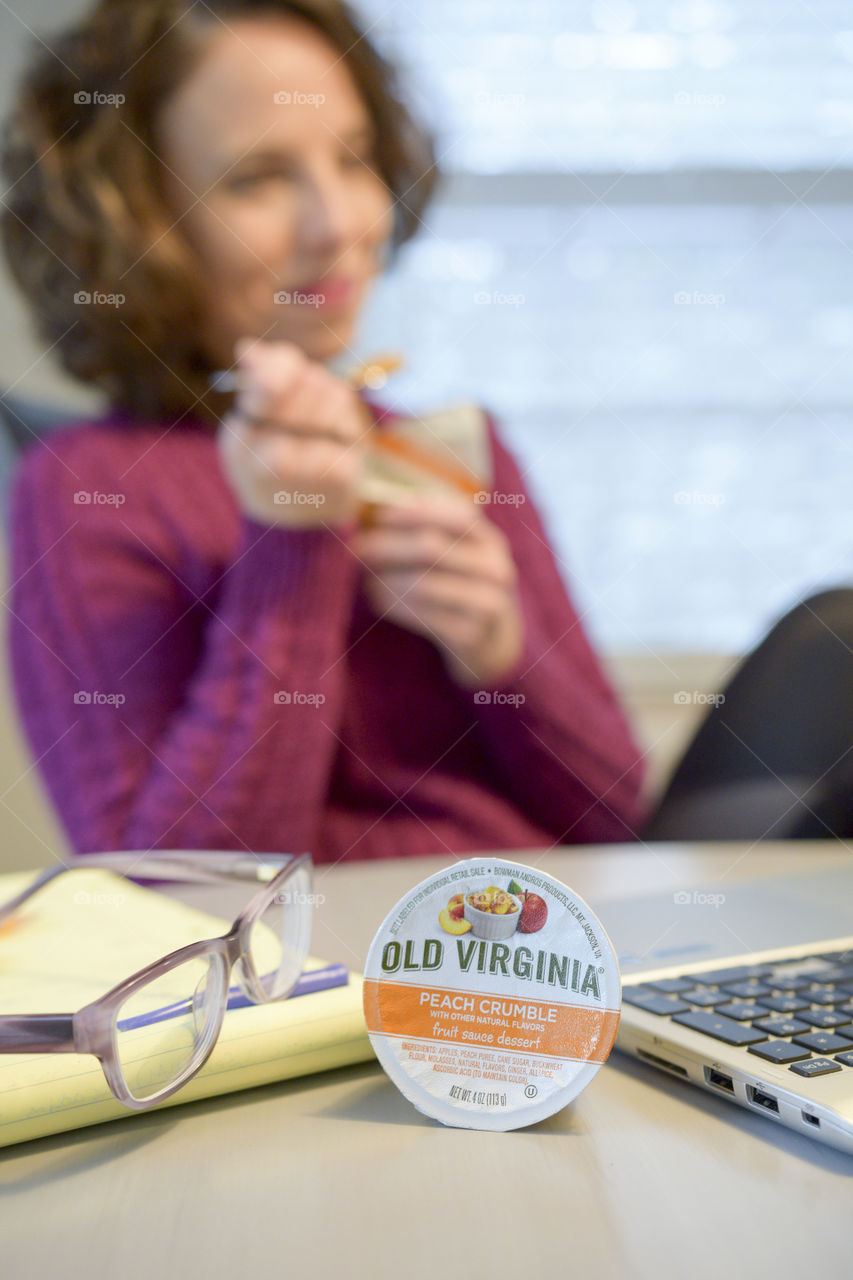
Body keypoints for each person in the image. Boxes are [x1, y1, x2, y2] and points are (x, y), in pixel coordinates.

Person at [2, 0, 646, 863]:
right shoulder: (87, 489)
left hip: (533, 952)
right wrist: (292, 542)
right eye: (256, 179)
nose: (337, 225)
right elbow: (179, 893)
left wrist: (501, 653)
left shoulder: (454, 450)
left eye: (352, 159)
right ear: (142, 225)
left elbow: (617, 817)